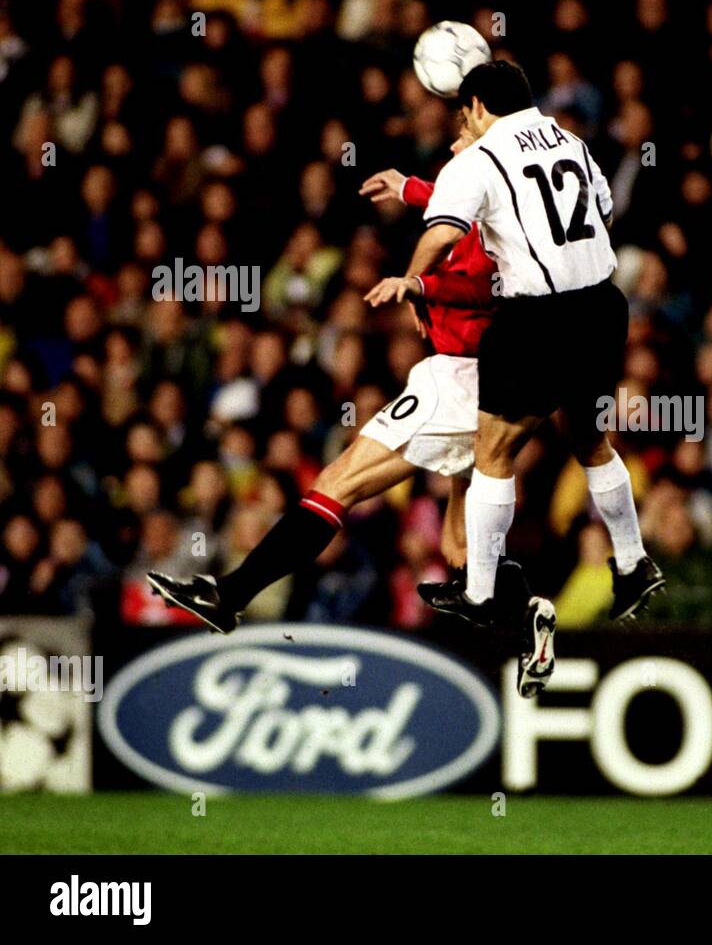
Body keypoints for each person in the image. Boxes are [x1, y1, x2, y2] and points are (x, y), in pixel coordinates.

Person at [146, 123, 547, 683]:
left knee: (339, 481)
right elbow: (445, 201)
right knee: (460, 547)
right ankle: (530, 619)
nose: (455, 139)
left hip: (459, 379)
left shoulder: (493, 226)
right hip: (479, 384)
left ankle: (229, 594)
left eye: (464, 132)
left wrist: (419, 286)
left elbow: (484, 285)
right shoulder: (487, 199)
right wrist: (409, 187)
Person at [366, 62, 664, 658]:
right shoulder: (571, 140)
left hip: (536, 319)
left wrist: (409, 277)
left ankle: (479, 590)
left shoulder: (476, 159)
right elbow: (602, 212)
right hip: (602, 307)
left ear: (476, 106)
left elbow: (445, 230)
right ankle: (633, 563)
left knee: (491, 452)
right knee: (590, 441)